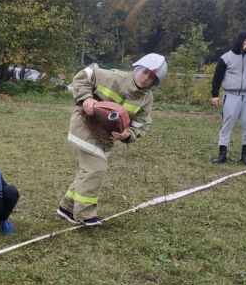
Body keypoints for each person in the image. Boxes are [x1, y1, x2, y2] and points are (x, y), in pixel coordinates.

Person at [57, 54, 167, 226]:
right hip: (84, 126)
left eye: (152, 77)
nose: (145, 78)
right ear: (137, 68)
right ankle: (84, 213)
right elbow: (84, 74)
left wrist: (128, 134)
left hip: (104, 138)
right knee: (96, 169)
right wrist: (86, 97)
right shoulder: (115, 77)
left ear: (155, 82)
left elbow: (141, 124)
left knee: (87, 171)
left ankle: (67, 207)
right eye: (145, 72)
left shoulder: (146, 99)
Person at [210, 31, 246, 165]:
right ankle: (222, 153)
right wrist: (215, 94)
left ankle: (245, 154)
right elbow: (217, 76)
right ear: (240, 41)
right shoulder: (226, 57)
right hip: (231, 94)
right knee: (227, 124)